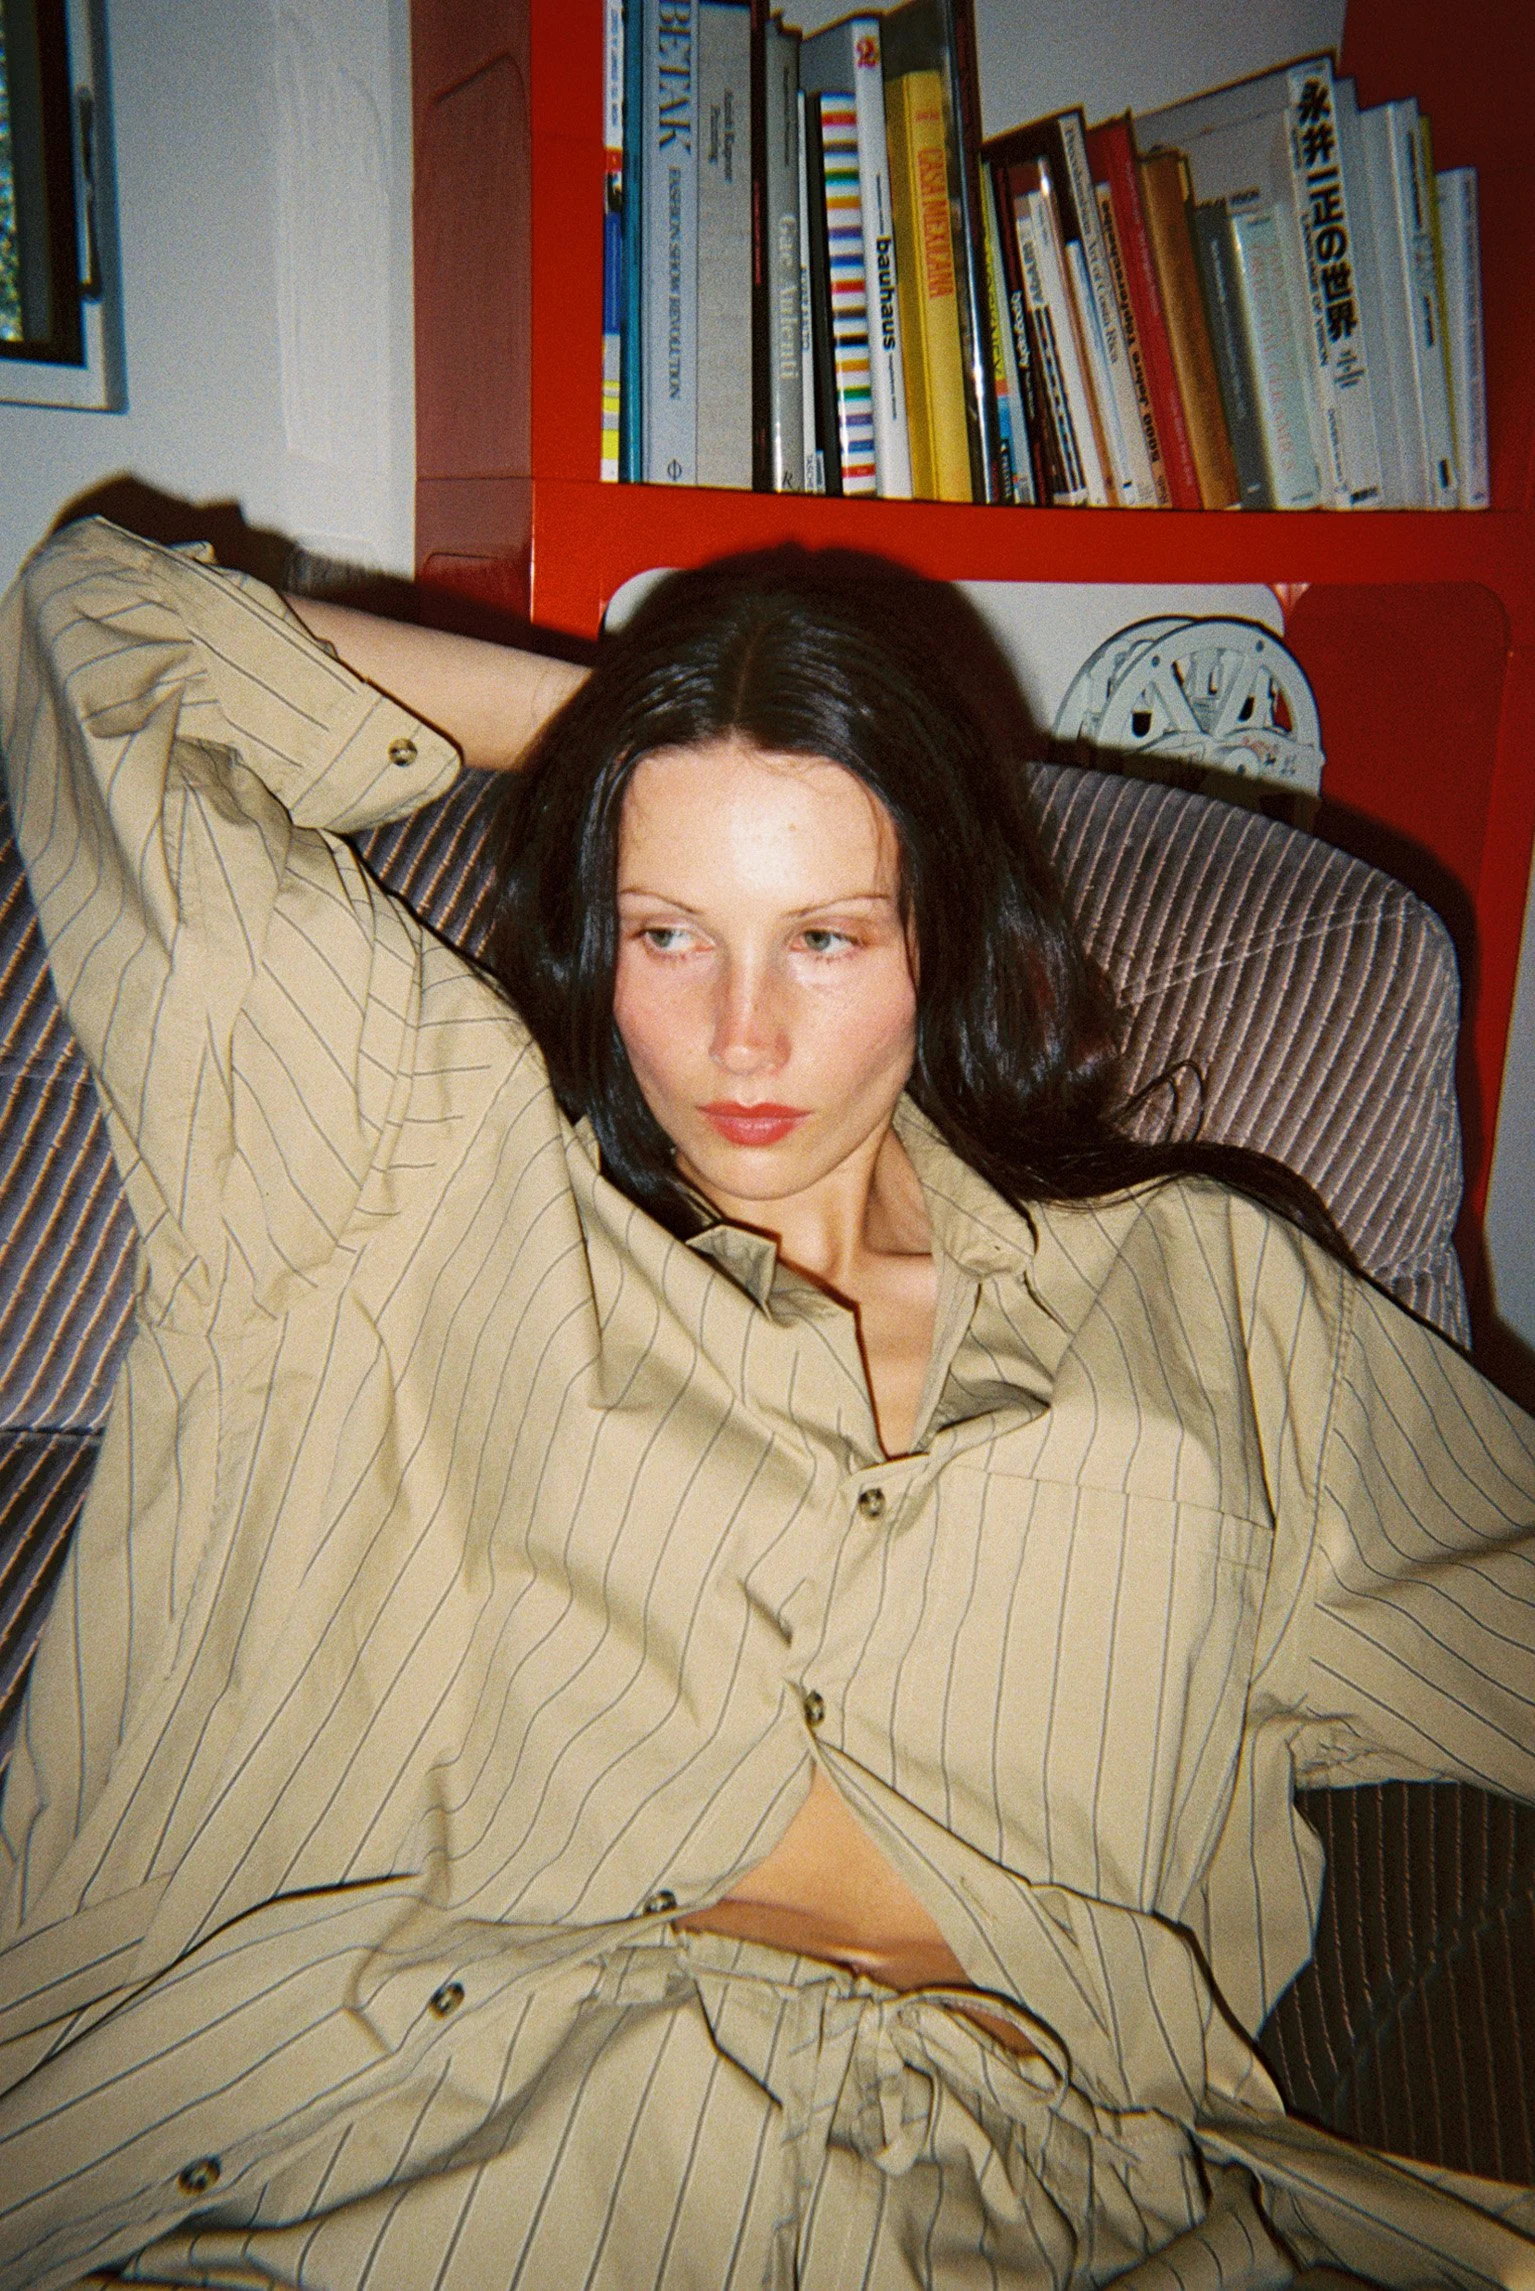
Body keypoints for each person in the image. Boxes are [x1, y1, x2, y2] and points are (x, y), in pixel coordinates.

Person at [0, 513, 1531, 2291]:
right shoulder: (411, 1189)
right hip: (427, 2159)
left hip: (1048, 2202)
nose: (738, 1040)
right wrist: (637, 729)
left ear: (944, 932)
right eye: (669, 932)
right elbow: (98, 644)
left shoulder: (1214, 1308)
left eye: (821, 938)